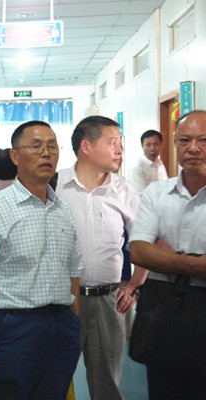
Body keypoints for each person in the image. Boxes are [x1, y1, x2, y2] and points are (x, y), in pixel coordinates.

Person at [0, 120, 83, 400]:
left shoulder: (63, 209)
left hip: (61, 326)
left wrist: (73, 323)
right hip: (14, 329)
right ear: (15, 156)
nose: (46, 153)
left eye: (52, 146)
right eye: (36, 146)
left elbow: (73, 273)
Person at [55, 115, 148, 400]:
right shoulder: (55, 186)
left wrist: (134, 285)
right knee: (53, 380)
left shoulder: (123, 190)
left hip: (109, 302)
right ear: (86, 146)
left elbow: (145, 242)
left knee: (106, 385)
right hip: (60, 302)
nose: (119, 150)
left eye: (120, 144)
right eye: (112, 143)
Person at [129, 110, 206, 399]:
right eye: (185, 140)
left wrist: (166, 256)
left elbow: (151, 252)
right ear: (174, 143)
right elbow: (140, 251)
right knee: (165, 388)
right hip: (164, 307)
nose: (194, 148)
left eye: (203, 140)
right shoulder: (156, 193)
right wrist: (195, 264)